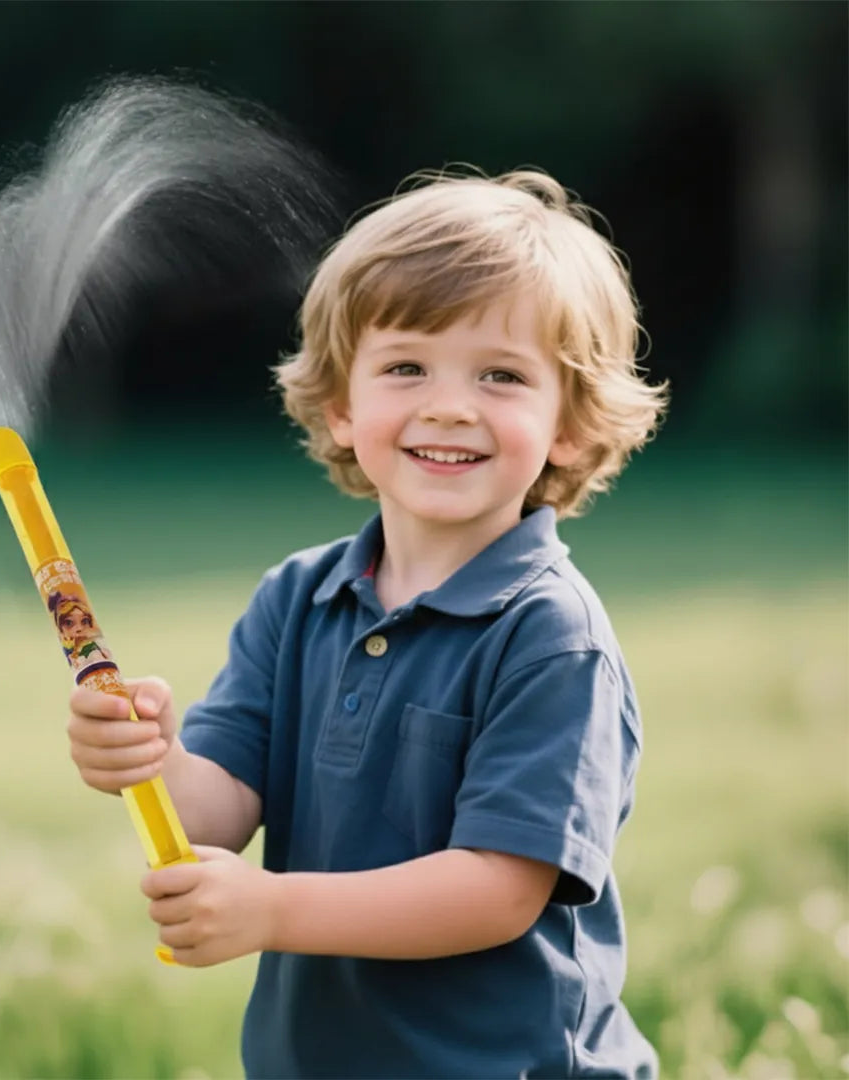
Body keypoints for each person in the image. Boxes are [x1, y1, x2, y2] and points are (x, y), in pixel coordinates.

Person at [67, 169, 668, 1079]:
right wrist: (148, 762)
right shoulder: (297, 597)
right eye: (406, 367)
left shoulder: (550, 634)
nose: (450, 404)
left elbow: (498, 890)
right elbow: (215, 818)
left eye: (502, 376)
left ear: (571, 426)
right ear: (344, 407)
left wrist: (272, 910)